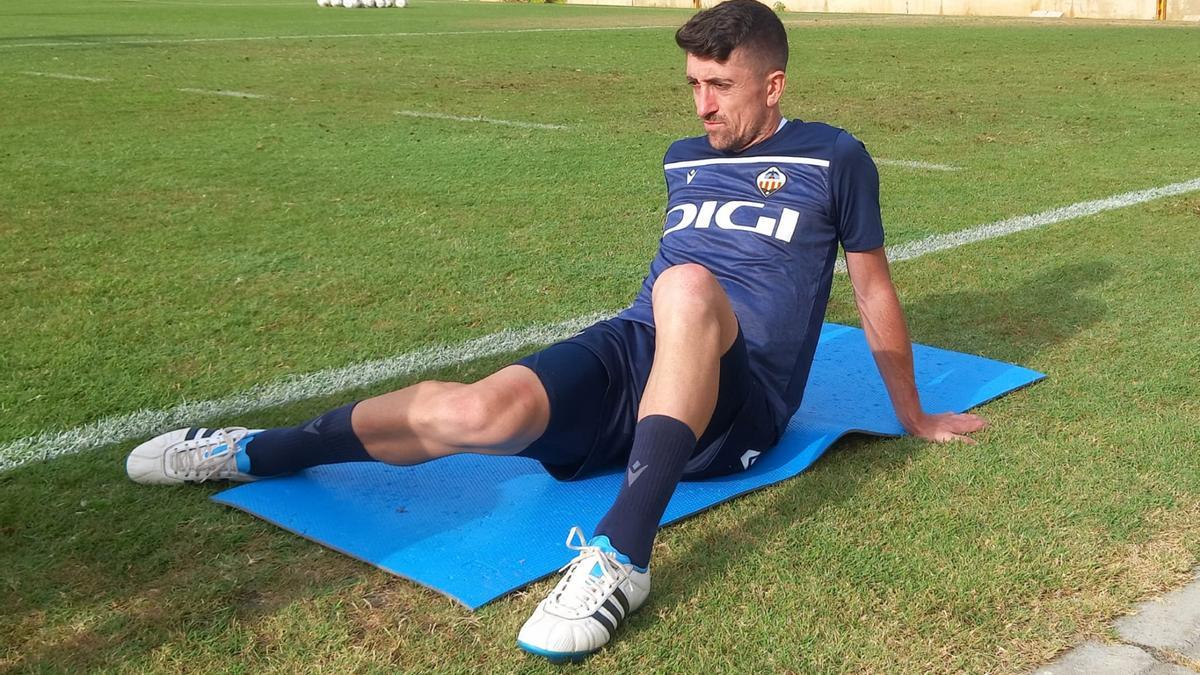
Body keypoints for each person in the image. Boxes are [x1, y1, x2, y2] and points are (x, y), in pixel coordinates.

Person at [125, 0, 987, 662]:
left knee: (689, 286)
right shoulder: (682, 157)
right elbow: (658, 300)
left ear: (773, 84)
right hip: (641, 345)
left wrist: (912, 413)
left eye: (719, 85)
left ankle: (621, 554)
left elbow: (871, 292)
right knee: (476, 413)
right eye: (692, 83)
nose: (702, 103)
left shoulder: (835, 155)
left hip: (741, 393)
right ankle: (249, 451)